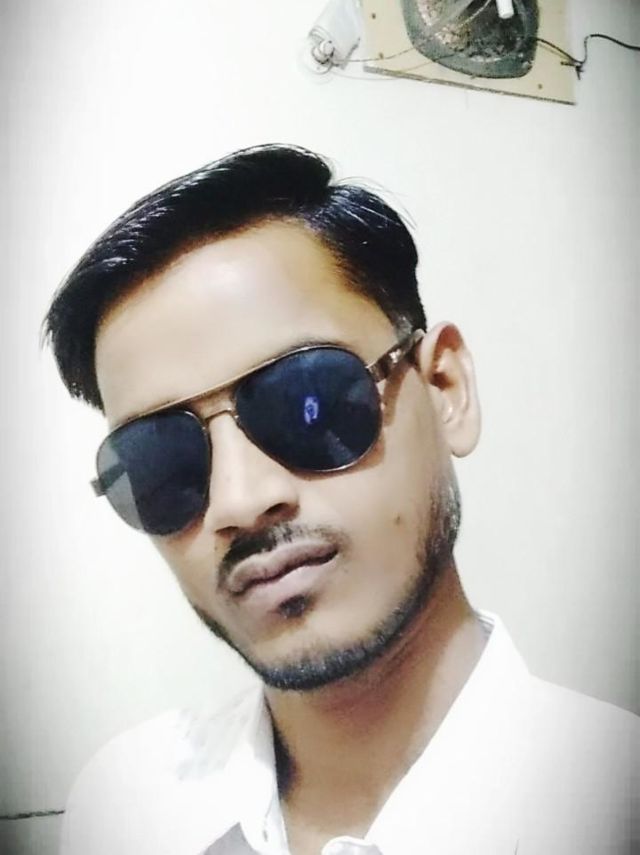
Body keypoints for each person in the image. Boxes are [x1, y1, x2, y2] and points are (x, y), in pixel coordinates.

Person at [44, 145, 637, 855]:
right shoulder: (124, 809)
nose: (240, 500)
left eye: (309, 400)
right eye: (159, 459)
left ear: (445, 390)